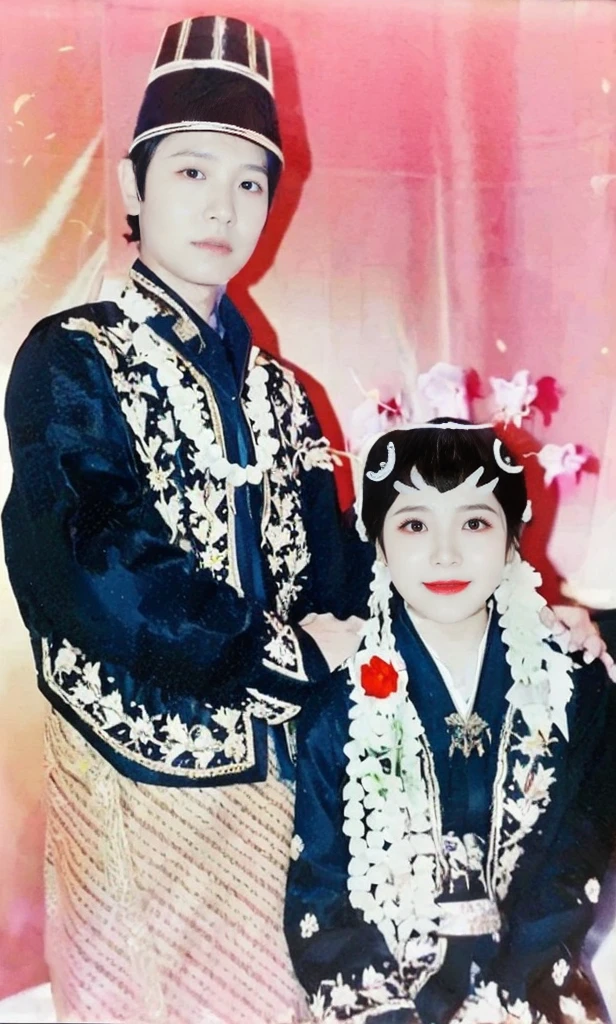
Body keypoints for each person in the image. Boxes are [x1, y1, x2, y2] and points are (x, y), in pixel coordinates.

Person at [1, 15, 367, 1024]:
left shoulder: (286, 396)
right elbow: (85, 558)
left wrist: (506, 602)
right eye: (194, 172)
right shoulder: (71, 358)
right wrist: (278, 652)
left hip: (284, 796)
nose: (225, 205)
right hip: (135, 793)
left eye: (251, 181)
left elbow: (341, 572)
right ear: (133, 185)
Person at [285, 421, 616, 1024]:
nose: (445, 553)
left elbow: (570, 872)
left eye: (474, 522)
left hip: (532, 981)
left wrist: (504, 1001)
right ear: (377, 543)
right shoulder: (340, 705)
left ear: (513, 538)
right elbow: (321, 897)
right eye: (414, 524)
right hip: (382, 993)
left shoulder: (576, 687)